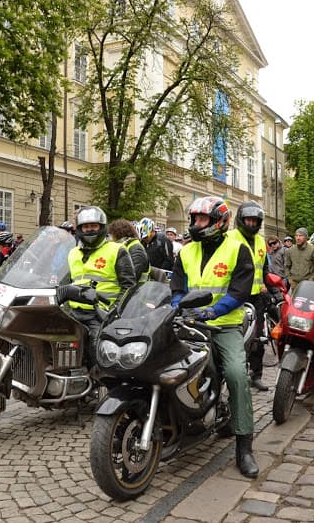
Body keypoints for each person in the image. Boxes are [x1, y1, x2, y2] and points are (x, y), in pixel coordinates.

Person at [171, 196, 258, 478]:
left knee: (235, 375)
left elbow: (239, 292)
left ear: (220, 222)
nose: (196, 224)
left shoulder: (238, 250)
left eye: (202, 219)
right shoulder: (185, 252)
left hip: (225, 326)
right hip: (189, 323)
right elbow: (176, 288)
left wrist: (212, 311)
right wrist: (176, 308)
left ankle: (244, 447)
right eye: (194, 219)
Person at [65, 206, 135, 364]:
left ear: (102, 227)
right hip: (74, 312)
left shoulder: (117, 250)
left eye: (94, 226)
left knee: (98, 355)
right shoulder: (72, 253)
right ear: (80, 228)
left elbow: (129, 286)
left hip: (101, 314)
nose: (90, 230)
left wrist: (113, 311)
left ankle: (101, 386)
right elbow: (67, 282)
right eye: (86, 226)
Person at [226, 201, 273, 392]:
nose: (252, 224)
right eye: (248, 220)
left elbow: (265, 270)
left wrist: (273, 291)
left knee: (258, 338)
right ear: (240, 219)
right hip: (235, 297)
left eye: (255, 221)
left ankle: (256, 374)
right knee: (235, 338)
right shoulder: (229, 238)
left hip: (256, 299)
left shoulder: (262, 242)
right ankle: (234, 375)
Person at [108, 218, 150, 283]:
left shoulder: (136, 249)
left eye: (112, 235)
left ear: (119, 233)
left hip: (136, 290)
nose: (111, 238)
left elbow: (132, 275)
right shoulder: (125, 246)